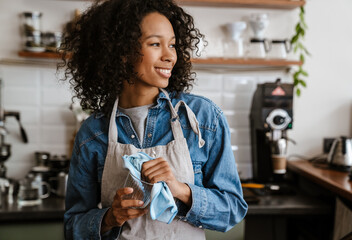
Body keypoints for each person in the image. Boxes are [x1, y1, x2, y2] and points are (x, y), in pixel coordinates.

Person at [59, 0, 248, 239]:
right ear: (122, 52)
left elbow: (233, 210)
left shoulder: (202, 118)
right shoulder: (94, 133)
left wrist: (181, 190)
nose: (170, 56)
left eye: (172, 45)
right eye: (156, 44)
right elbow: (73, 226)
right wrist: (109, 218)